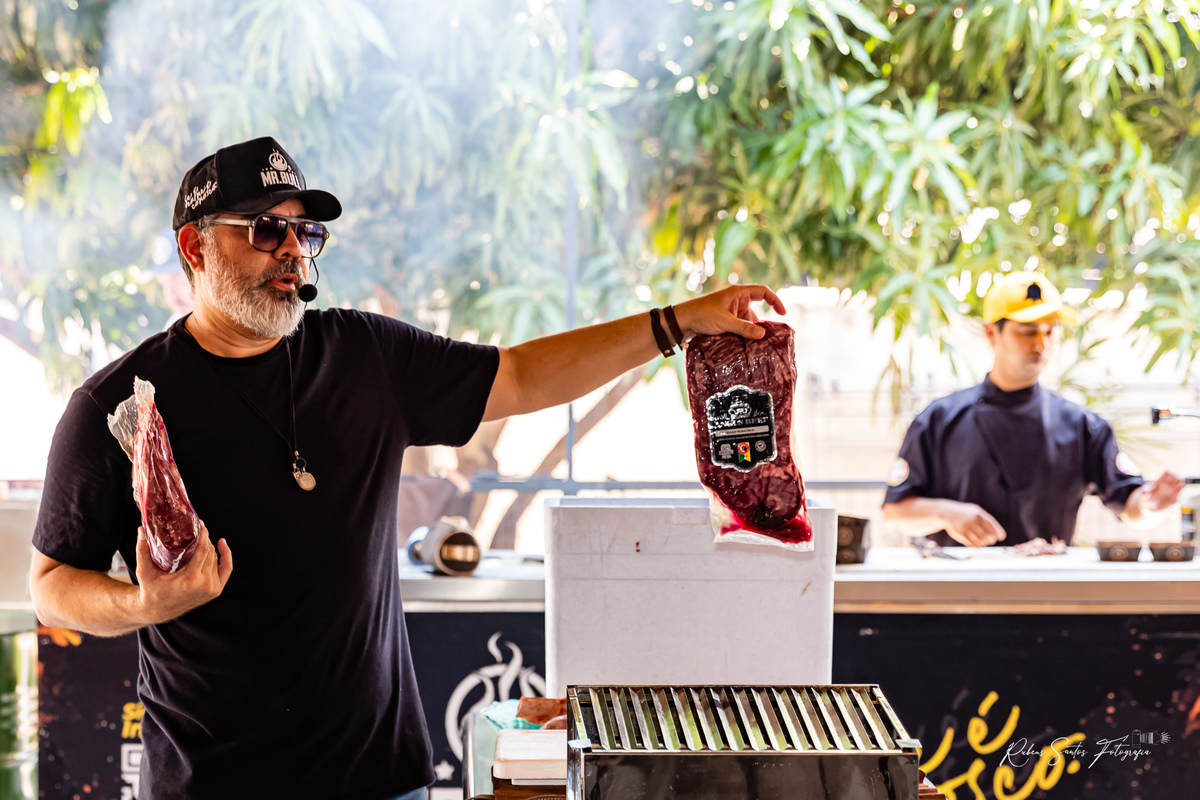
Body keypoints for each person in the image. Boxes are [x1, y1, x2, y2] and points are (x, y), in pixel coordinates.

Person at [26, 136, 787, 800]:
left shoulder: (365, 357)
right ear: (194, 249)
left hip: (380, 779)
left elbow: (522, 375)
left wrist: (677, 322)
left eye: (305, 232)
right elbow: (52, 587)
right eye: (266, 230)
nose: (293, 250)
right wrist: (145, 604)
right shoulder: (119, 405)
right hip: (211, 784)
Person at [881, 272, 1182, 548]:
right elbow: (895, 509)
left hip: (1048, 583)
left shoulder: (1082, 426)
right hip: (961, 582)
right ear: (991, 332)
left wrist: (1150, 505)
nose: (1041, 345)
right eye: (1027, 332)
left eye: (1049, 332)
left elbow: (1130, 504)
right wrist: (946, 513)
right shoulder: (939, 420)